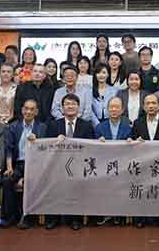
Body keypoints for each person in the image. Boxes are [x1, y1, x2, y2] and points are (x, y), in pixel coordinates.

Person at [45, 94, 96, 230]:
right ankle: (53, 218)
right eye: (67, 104)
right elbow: (46, 146)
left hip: (79, 166)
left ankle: (75, 219)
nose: (70, 106)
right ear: (62, 108)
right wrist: (56, 142)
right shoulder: (53, 125)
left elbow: (91, 147)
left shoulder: (86, 126)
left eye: (73, 104)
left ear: (78, 107)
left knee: (77, 184)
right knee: (53, 183)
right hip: (57, 165)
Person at [130, 93, 159, 228]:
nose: (151, 106)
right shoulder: (137, 123)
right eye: (148, 103)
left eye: (153, 103)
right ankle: (140, 218)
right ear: (143, 106)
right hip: (143, 164)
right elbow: (132, 144)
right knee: (142, 190)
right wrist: (136, 142)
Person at [2, 99, 47, 229]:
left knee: (31, 181)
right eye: (26, 108)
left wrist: (37, 141)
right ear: (22, 110)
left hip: (35, 165)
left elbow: (45, 150)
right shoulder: (13, 127)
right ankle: (10, 217)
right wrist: (9, 167)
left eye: (32, 109)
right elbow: (9, 149)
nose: (28, 111)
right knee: (7, 180)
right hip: (17, 164)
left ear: (36, 112)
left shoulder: (42, 127)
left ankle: (28, 218)